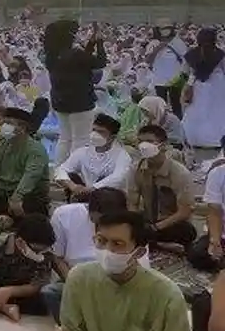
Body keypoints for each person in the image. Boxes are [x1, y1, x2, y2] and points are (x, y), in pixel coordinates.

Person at [16, 211, 192, 331]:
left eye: (117, 244)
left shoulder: (167, 295)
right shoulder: (79, 278)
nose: (107, 250)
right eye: (101, 241)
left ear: (139, 252)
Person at [42, 188, 131, 331]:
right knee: (50, 293)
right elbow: (56, 257)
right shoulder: (64, 215)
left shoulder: (128, 227)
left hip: (113, 284)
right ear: (89, 211)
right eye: (100, 221)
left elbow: (133, 266)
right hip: (77, 280)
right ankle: (76, 329)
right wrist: (75, 282)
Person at [43, 19, 107, 164]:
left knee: (65, 138)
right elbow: (100, 62)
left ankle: (60, 171)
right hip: (81, 102)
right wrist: (100, 43)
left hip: (60, 101)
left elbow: (82, 61)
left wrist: (90, 44)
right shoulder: (75, 54)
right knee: (81, 139)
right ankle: (74, 173)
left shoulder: (52, 55)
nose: (78, 35)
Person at [0, 213, 56, 321]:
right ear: (20, 241)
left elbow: (37, 284)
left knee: (40, 304)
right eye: (36, 250)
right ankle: (1, 306)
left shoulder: (46, 254)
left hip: (20, 287)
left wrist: (11, 291)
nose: (39, 254)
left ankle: (1, 305)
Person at [128, 124, 197, 252]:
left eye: (149, 141)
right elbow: (133, 203)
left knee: (187, 232)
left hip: (170, 223)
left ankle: (151, 242)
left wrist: (155, 227)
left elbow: (185, 211)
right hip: (148, 220)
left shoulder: (179, 173)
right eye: (140, 141)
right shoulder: (135, 169)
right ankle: (157, 244)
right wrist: (134, 224)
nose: (143, 145)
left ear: (163, 145)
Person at [53, 113, 132, 198]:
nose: (95, 134)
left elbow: (118, 178)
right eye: (94, 130)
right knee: (71, 176)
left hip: (108, 198)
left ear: (112, 137)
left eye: (101, 132)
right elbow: (60, 170)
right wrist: (73, 186)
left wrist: (92, 188)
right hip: (85, 193)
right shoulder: (83, 151)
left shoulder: (122, 155)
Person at [180, 26, 225, 150]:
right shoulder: (220, 53)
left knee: (196, 112)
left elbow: (184, 72)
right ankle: (217, 139)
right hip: (218, 88)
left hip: (197, 86)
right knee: (217, 113)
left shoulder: (191, 54)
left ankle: (194, 139)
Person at [190, 160, 225, 272]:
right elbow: (214, 212)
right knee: (199, 255)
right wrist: (215, 241)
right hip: (222, 231)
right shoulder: (218, 174)